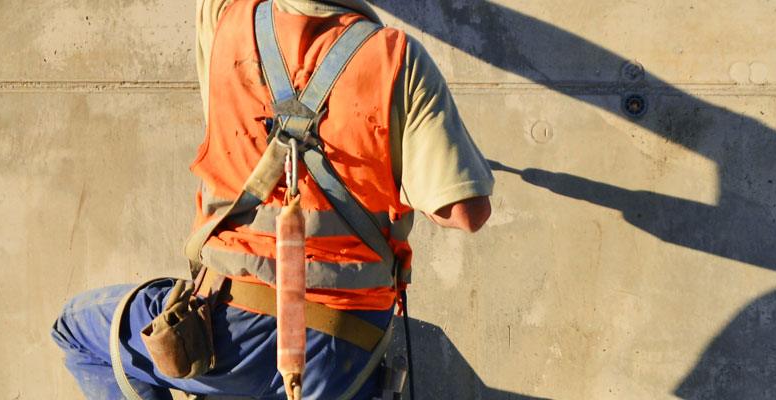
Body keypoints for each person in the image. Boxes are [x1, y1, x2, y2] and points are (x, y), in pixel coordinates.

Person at [50, 0, 494, 398]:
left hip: (227, 334)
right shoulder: (398, 60)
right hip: (345, 351)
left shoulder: (225, 18)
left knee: (75, 329)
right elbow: (465, 212)